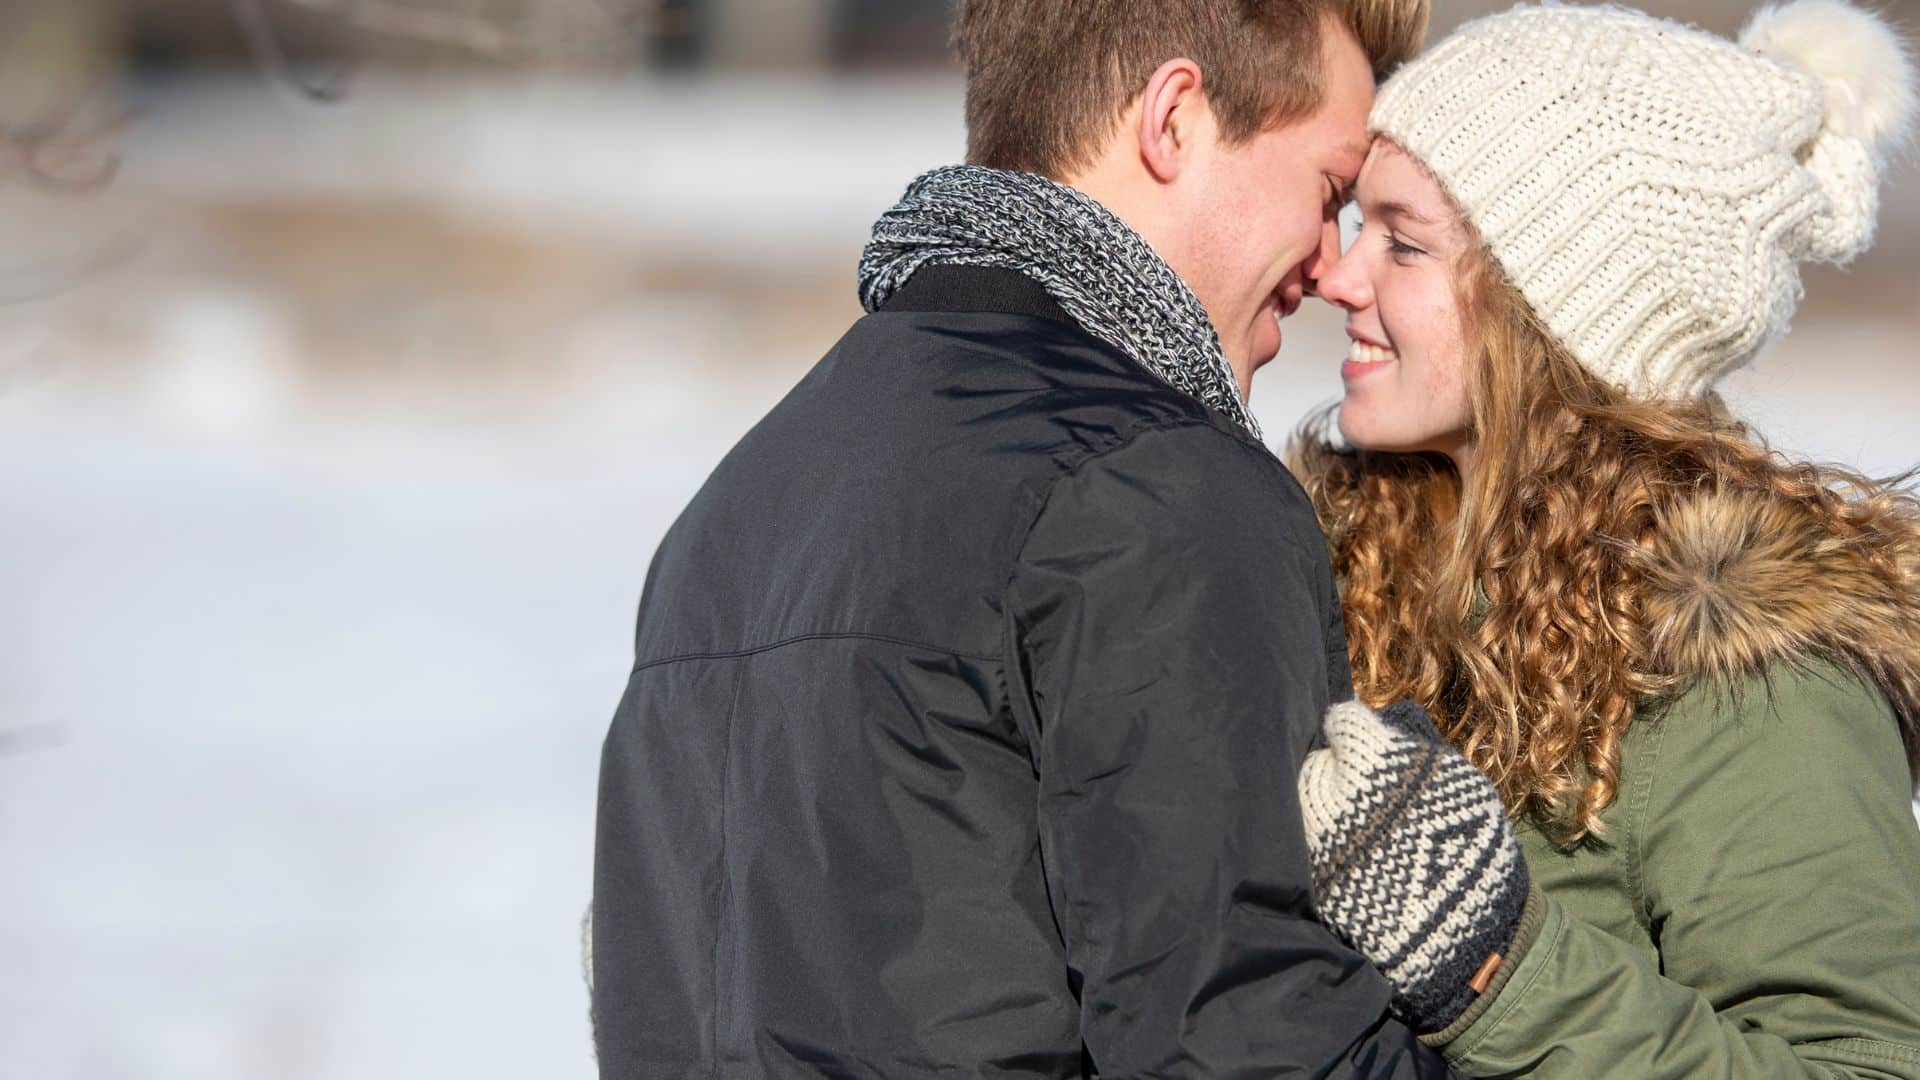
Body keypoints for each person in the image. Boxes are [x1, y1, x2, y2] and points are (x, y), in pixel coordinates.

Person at [588, 0, 1464, 1075]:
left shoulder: (737, 508)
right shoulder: (1158, 489)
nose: (1332, 267)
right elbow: (1247, 1042)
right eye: (1328, 192)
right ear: (1175, 119)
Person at [1289, 1, 1920, 1075]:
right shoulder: (1332, 577)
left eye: (1403, 242)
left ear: (1551, 305)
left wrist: (1495, 968)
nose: (1341, 278)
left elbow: (1861, 1063)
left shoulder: (1746, 679)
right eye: (1357, 226)